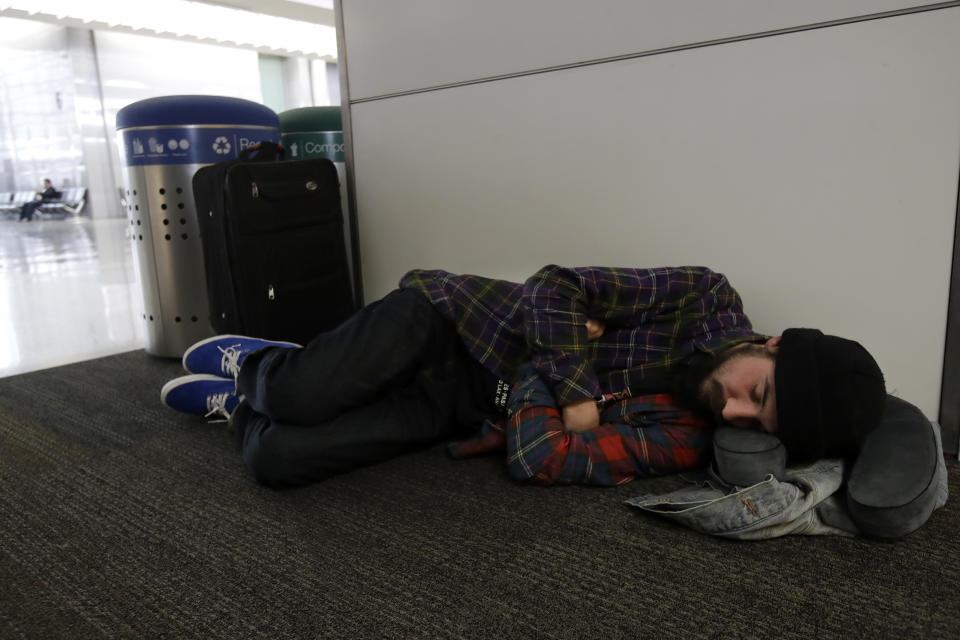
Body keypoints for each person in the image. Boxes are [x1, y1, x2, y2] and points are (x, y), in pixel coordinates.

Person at [160, 265, 886, 488]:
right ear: (773, 342)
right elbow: (555, 285)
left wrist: (557, 354)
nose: (734, 412)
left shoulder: (691, 435)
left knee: (278, 457)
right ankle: (261, 361)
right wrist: (578, 389)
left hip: (466, 407)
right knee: (294, 393)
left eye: (756, 425)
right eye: (754, 391)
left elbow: (542, 457)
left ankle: (243, 403)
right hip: (448, 321)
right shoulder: (704, 296)